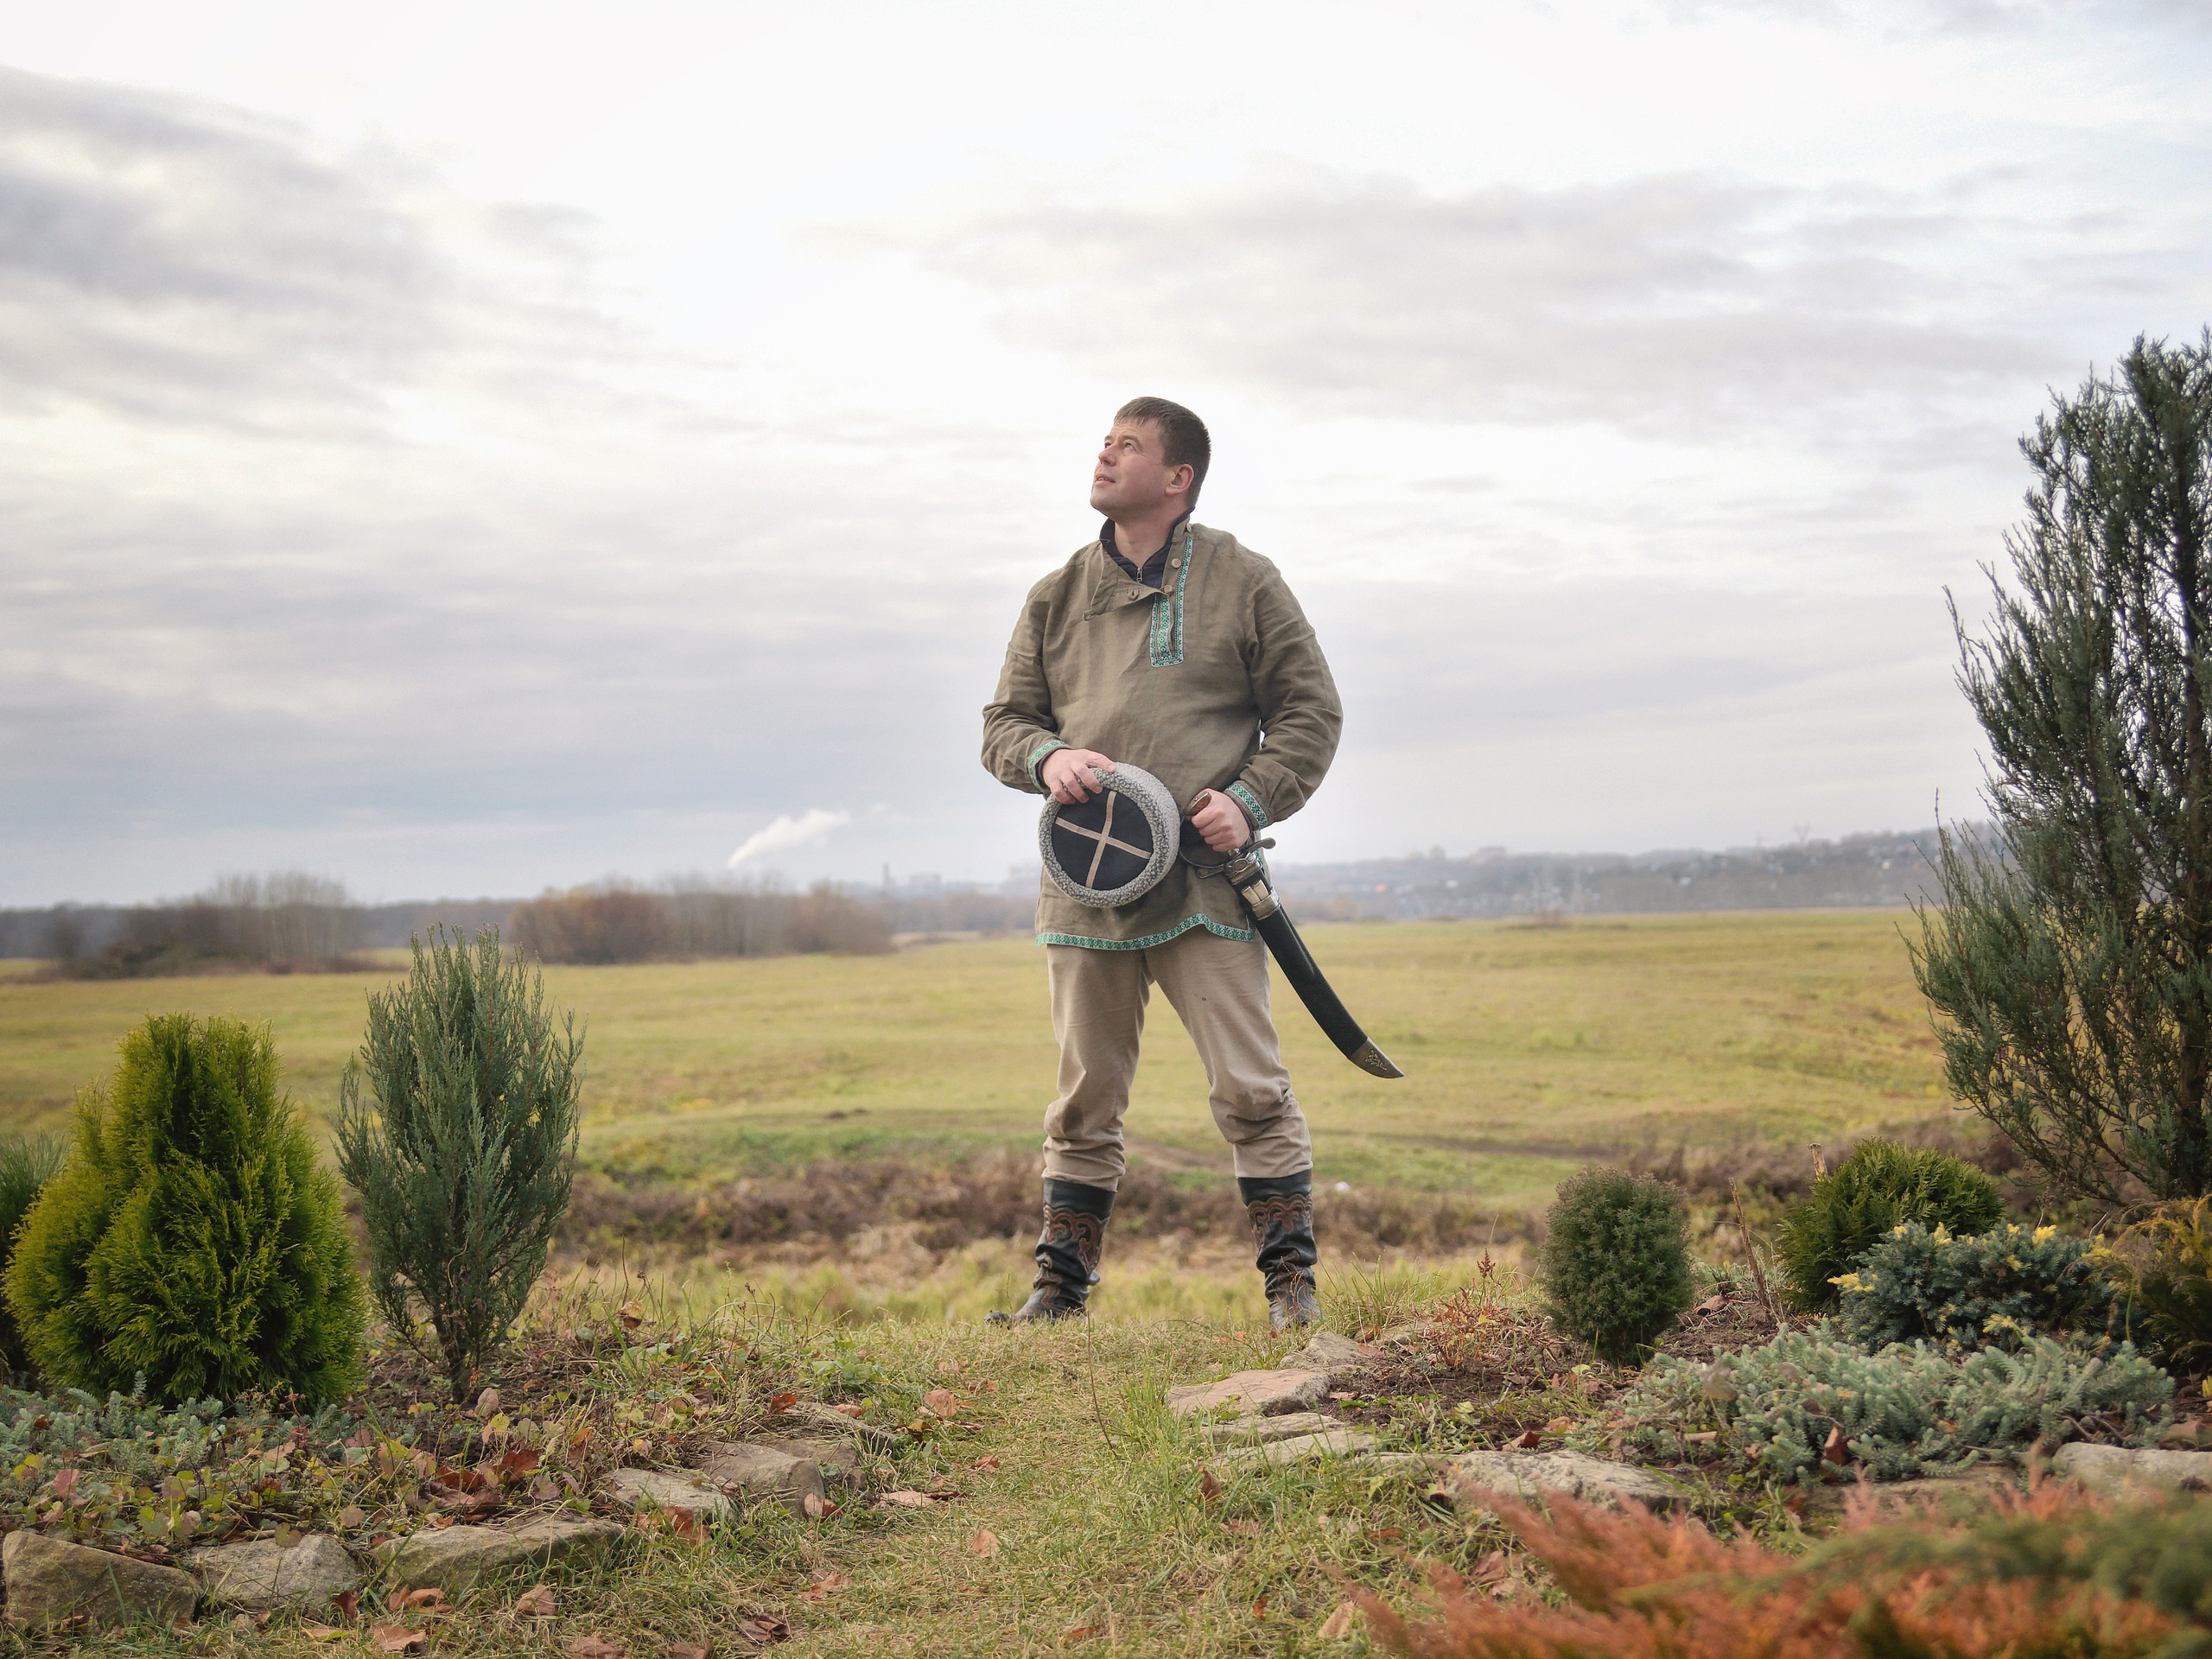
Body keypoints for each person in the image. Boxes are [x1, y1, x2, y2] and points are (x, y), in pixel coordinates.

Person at [980, 396, 1344, 1332]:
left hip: (1205, 884)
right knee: (1083, 1100)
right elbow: (1003, 724)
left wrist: (1249, 800)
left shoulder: (1243, 579)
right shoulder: (1056, 594)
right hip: (1085, 888)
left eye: (1128, 446)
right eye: (1104, 442)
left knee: (1250, 1089)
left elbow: (1310, 712)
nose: (1104, 456)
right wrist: (1045, 758)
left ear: (1178, 478)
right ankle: (1059, 1294)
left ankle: (1291, 1290)